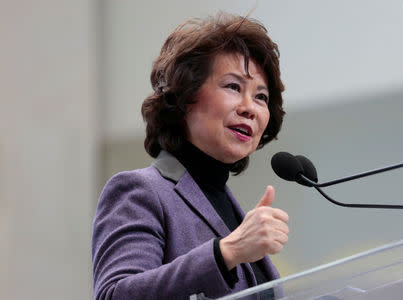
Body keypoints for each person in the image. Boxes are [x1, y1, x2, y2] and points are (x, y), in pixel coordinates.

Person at [92, 13, 288, 300]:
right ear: (184, 98)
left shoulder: (230, 209)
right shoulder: (140, 192)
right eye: (233, 87)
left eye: (261, 97)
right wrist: (227, 252)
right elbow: (114, 295)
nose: (250, 108)